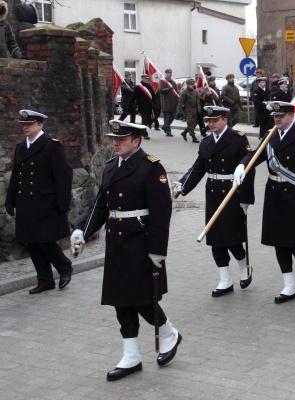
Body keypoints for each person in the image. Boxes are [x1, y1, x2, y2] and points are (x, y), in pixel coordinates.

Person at [70, 120, 181, 381]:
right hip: (118, 243)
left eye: (121, 139)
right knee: (120, 300)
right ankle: (131, 355)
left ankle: (168, 334)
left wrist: (158, 250)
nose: (115, 143)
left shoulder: (151, 168)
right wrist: (81, 230)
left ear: (136, 141)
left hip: (141, 242)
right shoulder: (110, 168)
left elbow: (162, 212)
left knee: (143, 299)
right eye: (113, 139)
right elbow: (100, 205)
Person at [233, 102, 295, 304]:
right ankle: (289, 284)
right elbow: (255, 156)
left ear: (291, 116)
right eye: (275, 116)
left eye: (281, 115)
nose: (277, 119)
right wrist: (242, 164)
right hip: (274, 193)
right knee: (278, 241)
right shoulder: (270, 135)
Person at [173, 106, 255, 296]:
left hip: (232, 194)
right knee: (216, 239)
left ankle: (245, 268)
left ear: (225, 120)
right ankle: (225, 279)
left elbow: (249, 169)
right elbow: (198, 168)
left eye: (214, 120)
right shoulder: (206, 142)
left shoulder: (238, 139)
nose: (210, 124)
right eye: (208, 121)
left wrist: (246, 199)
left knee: (233, 238)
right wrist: (182, 185)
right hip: (213, 194)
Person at [5, 110, 73, 294]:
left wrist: (63, 203)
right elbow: (16, 177)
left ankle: (64, 266)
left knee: (45, 240)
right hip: (26, 202)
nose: (25, 127)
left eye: (30, 124)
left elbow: (64, 177)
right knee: (31, 242)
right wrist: (10, 200)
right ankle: (45, 280)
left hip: (46, 202)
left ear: (40, 125)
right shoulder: (21, 147)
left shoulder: (52, 146)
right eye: (24, 124)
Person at [128, 74, 154, 139]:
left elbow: (153, 96)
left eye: (147, 78)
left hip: (149, 107)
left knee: (149, 119)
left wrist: (155, 103)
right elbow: (133, 96)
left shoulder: (149, 86)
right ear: (142, 78)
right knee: (144, 120)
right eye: (145, 78)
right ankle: (145, 134)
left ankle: (142, 130)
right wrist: (130, 104)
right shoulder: (138, 87)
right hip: (142, 106)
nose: (146, 79)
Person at [177, 78, 201, 143]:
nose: (192, 86)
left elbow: (198, 102)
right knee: (190, 123)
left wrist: (199, 110)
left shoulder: (195, 92)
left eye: (192, 84)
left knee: (194, 124)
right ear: (187, 85)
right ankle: (193, 137)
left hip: (194, 110)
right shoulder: (184, 92)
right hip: (188, 110)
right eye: (190, 84)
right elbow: (181, 102)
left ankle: (184, 132)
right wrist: (179, 110)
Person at [158, 68, 179, 137]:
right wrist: (169, 89)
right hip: (166, 102)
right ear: (166, 73)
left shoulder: (173, 82)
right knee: (166, 117)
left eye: (170, 73)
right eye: (168, 73)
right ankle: (168, 131)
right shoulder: (162, 81)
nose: (170, 74)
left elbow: (176, 91)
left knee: (173, 115)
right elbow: (161, 90)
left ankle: (165, 126)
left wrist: (179, 98)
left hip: (172, 102)